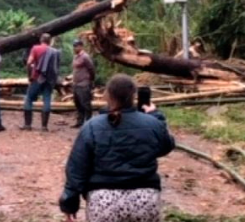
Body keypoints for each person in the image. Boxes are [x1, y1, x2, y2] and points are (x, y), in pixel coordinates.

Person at [60, 74, 175, 222]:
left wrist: (69, 203)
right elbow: (166, 146)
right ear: (133, 95)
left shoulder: (92, 126)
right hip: (145, 201)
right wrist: (156, 116)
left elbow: (77, 167)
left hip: (104, 203)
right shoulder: (152, 123)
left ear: (106, 95)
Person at [23, 35, 61, 131]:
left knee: (29, 99)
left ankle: (27, 125)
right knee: (47, 99)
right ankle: (44, 126)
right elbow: (57, 68)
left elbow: (29, 62)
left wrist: (29, 76)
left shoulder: (35, 48)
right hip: (49, 80)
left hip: (37, 77)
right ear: (50, 41)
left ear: (41, 40)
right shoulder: (55, 52)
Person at [71, 39, 96, 128]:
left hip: (84, 84)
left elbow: (91, 69)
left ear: (81, 46)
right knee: (78, 104)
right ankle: (80, 122)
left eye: (77, 46)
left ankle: (88, 123)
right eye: (74, 46)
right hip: (76, 84)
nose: (75, 48)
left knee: (86, 104)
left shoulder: (85, 57)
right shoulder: (75, 57)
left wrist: (91, 80)